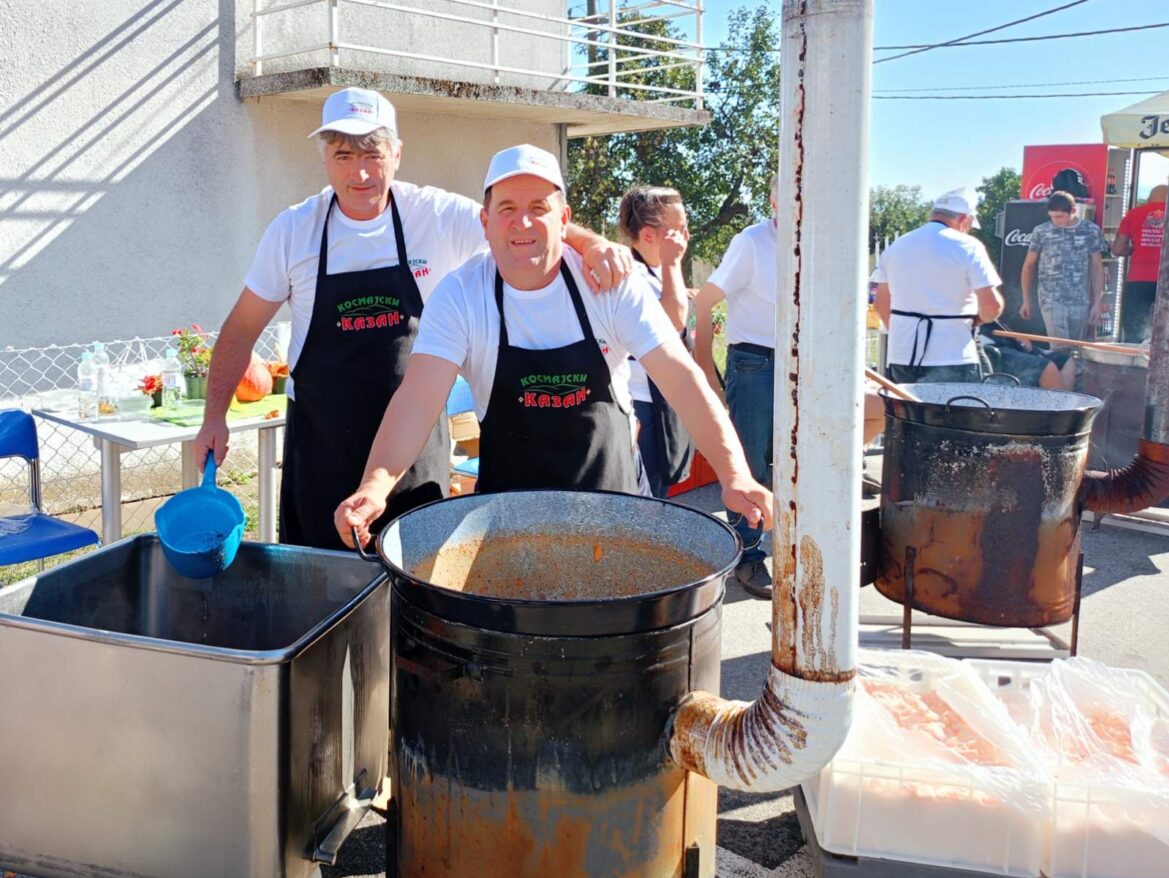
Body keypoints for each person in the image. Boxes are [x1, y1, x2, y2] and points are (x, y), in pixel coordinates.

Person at [192, 88, 632, 550]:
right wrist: (213, 419)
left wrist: (591, 244)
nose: (359, 172)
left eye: (372, 153)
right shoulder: (293, 231)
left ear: (396, 155)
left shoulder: (435, 215)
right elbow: (241, 329)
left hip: (415, 456)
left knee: (419, 600)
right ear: (324, 159)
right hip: (322, 454)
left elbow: (518, 223)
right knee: (323, 602)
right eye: (343, 154)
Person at [334, 145, 772, 550]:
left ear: (564, 220)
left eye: (538, 209)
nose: (522, 223)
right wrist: (375, 486)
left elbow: (681, 379)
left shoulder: (612, 287)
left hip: (616, 516)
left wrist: (734, 474)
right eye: (507, 209)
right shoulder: (460, 295)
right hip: (506, 527)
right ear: (485, 224)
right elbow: (417, 399)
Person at [692, 176, 780, 598]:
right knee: (749, 465)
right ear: (775, 199)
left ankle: (782, 546)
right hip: (756, 361)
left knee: (790, 461)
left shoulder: (821, 238)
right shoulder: (752, 241)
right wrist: (704, 365)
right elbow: (706, 300)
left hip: (802, 362)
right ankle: (747, 557)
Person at [872, 187, 1005, 386]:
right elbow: (992, 306)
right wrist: (978, 319)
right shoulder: (968, 246)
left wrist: (902, 331)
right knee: (958, 416)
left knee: (908, 416)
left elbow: (881, 303)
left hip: (903, 355)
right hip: (953, 355)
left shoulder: (897, 245)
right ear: (963, 219)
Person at [617, 185, 693, 498]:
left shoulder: (655, 273)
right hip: (641, 407)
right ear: (649, 235)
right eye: (677, 230)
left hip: (660, 403)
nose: (686, 236)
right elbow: (671, 323)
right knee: (646, 505)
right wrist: (674, 265)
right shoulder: (632, 277)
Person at [1020, 190, 1107, 341]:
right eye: (1052, 217)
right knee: (1060, 349)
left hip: (1080, 300)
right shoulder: (1041, 231)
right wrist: (1026, 300)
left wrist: (1097, 302)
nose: (1055, 221)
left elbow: (1097, 267)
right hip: (1050, 299)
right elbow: (1028, 265)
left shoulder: (1090, 230)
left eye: (1059, 216)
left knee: (1076, 350)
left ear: (1073, 211)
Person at [1112, 184, 1166, 343]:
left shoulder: (1133, 214)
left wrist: (1134, 249)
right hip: (1166, 280)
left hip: (1138, 279)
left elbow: (1117, 249)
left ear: (1149, 198)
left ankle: (1133, 363)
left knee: (1134, 329)